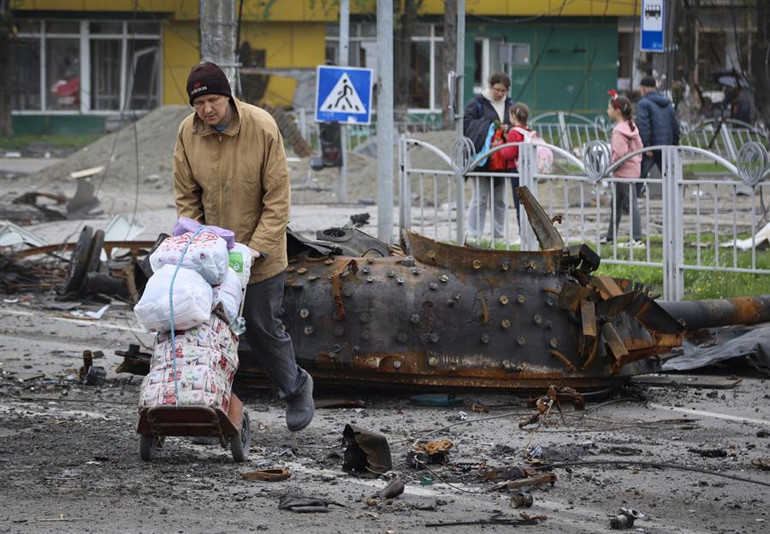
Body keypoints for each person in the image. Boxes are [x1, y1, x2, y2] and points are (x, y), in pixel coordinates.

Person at [173, 62, 314, 432]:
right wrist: (196, 242)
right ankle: (217, 411)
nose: (207, 109)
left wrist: (257, 247)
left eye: (214, 99)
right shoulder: (188, 133)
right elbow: (186, 195)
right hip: (210, 257)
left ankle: (297, 388)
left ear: (229, 96)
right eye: (199, 102)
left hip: (259, 255)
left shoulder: (262, 126)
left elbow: (278, 198)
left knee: (262, 328)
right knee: (210, 332)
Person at [463, 72, 514, 242]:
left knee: (500, 200)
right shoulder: (476, 104)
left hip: (502, 160)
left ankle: (498, 236)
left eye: (502, 90)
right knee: (480, 198)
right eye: (496, 89)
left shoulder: (510, 105)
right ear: (490, 86)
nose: (499, 93)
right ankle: (474, 235)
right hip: (482, 159)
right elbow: (468, 127)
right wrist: (492, 127)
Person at [603, 92, 644, 247]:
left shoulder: (619, 131)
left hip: (622, 173)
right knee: (616, 204)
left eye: (609, 108)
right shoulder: (631, 126)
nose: (608, 111)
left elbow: (619, 154)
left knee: (630, 205)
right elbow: (639, 148)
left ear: (617, 111)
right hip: (630, 171)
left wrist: (610, 166)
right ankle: (610, 237)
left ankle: (637, 238)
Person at [635, 76, 680, 192]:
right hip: (666, 147)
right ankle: (675, 203)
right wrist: (674, 144)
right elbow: (675, 125)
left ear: (644, 89)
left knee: (638, 177)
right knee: (670, 177)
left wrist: (646, 146)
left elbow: (643, 126)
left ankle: (628, 204)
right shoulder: (667, 103)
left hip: (651, 148)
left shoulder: (643, 103)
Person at [498, 102, 532, 220]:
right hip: (528, 170)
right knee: (529, 204)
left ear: (513, 116)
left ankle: (521, 233)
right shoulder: (527, 130)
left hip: (516, 170)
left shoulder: (514, 132)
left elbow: (509, 153)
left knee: (519, 204)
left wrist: (500, 146)